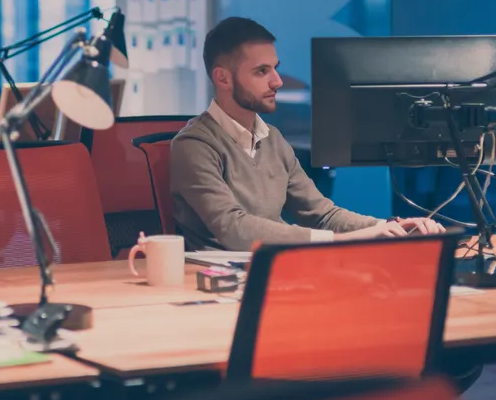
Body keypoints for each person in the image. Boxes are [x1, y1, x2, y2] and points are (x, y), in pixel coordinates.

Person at [170, 17, 445, 251]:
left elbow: (322, 213)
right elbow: (233, 228)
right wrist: (340, 240)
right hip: (215, 277)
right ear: (223, 78)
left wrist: (387, 227)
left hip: (273, 267)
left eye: (275, 68)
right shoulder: (194, 145)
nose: (277, 81)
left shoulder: (272, 139)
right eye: (261, 71)